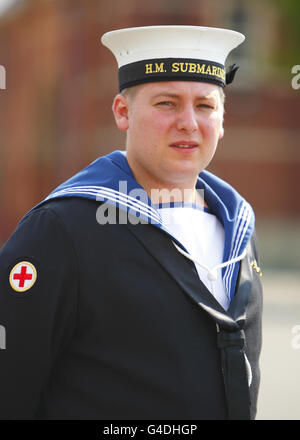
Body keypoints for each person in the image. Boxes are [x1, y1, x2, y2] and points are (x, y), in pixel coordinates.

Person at [0, 25, 263, 420]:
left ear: (222, 120)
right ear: (123, 113)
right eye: (167, 103)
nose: (189, 123)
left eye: (205, 106)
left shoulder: (238, 229)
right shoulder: (62, 229)